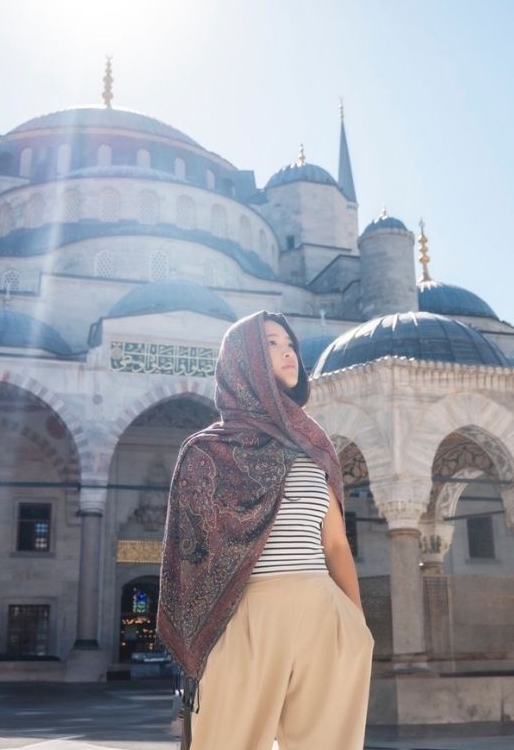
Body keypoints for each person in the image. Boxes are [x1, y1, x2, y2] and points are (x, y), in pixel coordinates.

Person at [157, 310, 374, 750]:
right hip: (245, 618)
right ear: (244, 359)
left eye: (290, 344)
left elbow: (335, 544)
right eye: (271, 344)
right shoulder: (207, 451)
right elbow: (190, 555)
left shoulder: (314, 446)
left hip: (323, 616)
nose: (288, 352)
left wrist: (357, 625)